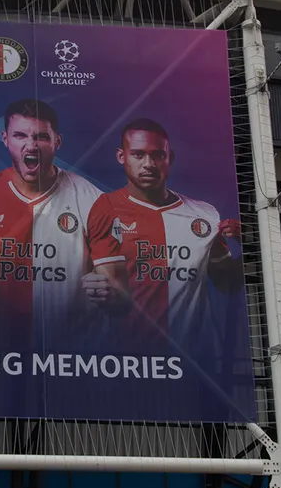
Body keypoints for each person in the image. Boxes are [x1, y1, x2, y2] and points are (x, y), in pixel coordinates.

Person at [0, 98, 103, 346]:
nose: (30, 146)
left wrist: (110, 287)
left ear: (57, 142)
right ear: (5, 138)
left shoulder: (91, 198)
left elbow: (119, 292)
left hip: (71, 351)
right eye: (20, 136)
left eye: (41, 137)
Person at [83, 118, 241, 343]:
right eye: (138, 155)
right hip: (124, 357)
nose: (148, 164)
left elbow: (227, 283)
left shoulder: (204, 214)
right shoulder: (101, 208)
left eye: (157, 155)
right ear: (121, 157)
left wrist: (251, 244)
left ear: (170, 158)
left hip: (196, 360)